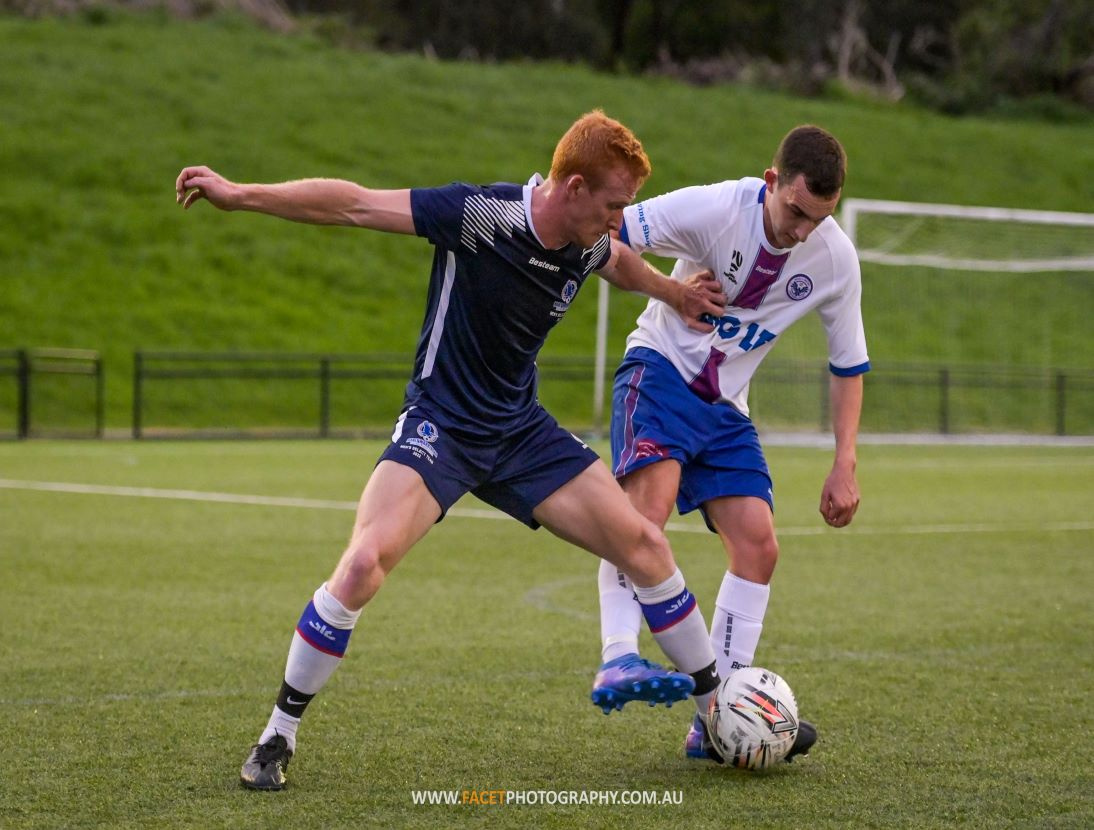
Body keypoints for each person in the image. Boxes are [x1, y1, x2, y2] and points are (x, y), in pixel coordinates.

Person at [175, 110, 731, 791]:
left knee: (646, 548)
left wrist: (674, 292)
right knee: (361, 566)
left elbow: (616, 263)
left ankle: (718, 718)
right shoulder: (480, 215)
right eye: (615, 204)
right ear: (575, 187)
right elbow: (352, 205)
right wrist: (240, 194)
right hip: (441, 426)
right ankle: (277, 736)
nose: (621, 219)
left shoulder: (589, 240)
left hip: (519, 431)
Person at [592, 124, 869, 763]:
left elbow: (848, 363)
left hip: (725, 409)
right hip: (660, 372)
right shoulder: (715, 208)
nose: (802, 230)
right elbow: (602, 235)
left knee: (759, 546)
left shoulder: (834, 256)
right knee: (643, 523)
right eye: (795, 211)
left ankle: (717, 725)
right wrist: (670, 289)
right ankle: (617, 658)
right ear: (772, 181)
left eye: (817, 219)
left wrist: (844, 463)